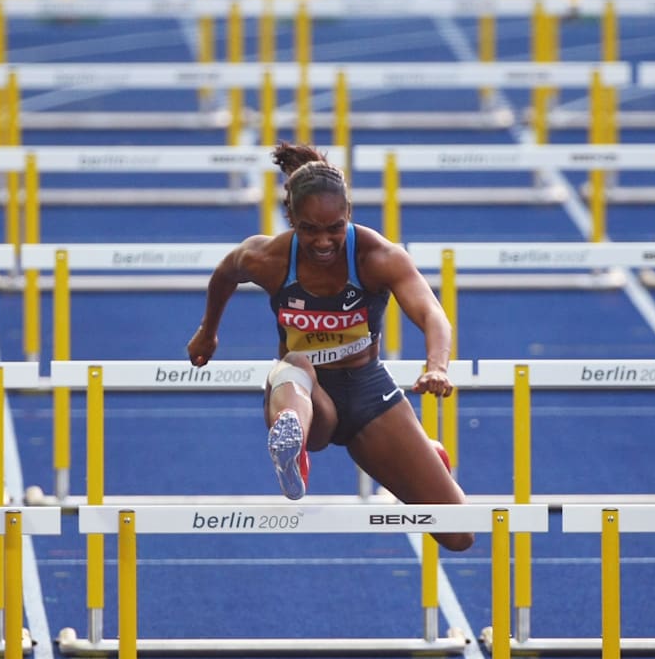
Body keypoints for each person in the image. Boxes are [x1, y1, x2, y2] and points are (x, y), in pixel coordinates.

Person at [186, 141, 473, 552]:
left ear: (349, 217)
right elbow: (224, 274)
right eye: (309, 230)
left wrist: (437, 366)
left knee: (458, 535)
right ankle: (292, 447)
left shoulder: (378, 256)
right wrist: (207, 331)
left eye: (334, 228)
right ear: (291, 220)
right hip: (306, 393)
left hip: (367, 392)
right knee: (294, 363)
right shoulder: (267, 257)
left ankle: (426, 452)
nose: (323, 242)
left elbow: (432, 314)